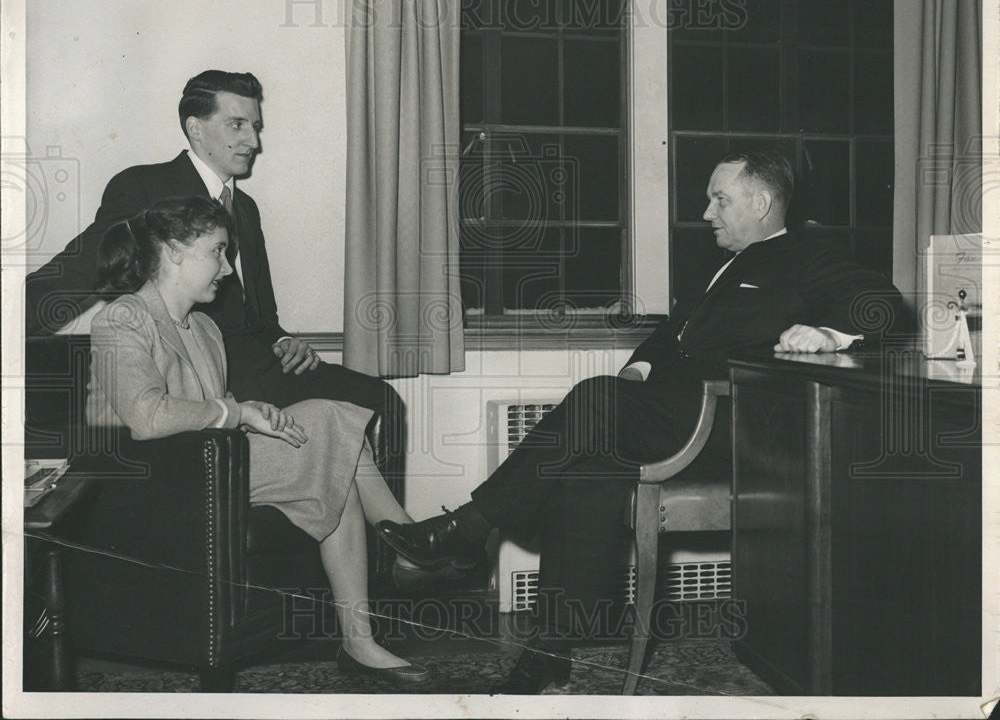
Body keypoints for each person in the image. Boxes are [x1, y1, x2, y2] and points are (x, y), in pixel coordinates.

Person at [375, 149, 906, 693]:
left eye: (719, 198)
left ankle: (468, 530)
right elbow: (671, 335)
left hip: (726, 422)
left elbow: (884, 303)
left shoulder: (808, 253)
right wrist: (638, 369)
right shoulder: (720, 264)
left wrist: (830, 334)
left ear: (763, 202)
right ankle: (548, 649)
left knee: (594, 397)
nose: (706, 212)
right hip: (666, 412)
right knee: (585, 472)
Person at [86, 196, 430, 686]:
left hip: (209, 468)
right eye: (218, 252)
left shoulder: (205, 328)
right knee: (328, 419)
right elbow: (145, 416)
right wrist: (237, 412)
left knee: (332, 456)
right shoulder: (123, 318)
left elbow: (216, 408)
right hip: (148, 484)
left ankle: (361, 638)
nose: (226, 269)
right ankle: (407, 542)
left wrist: (254, 417)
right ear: (175, 251)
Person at [25, 70, 405, 462]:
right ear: (196, 128)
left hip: (259, 363)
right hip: (200, 372)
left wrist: (282, 341)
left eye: (255, 126)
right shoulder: (144, 187)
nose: (253, 141)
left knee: (382, 402)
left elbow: (262, 314)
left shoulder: (245, 208)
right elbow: (75, 271)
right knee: (373, 401)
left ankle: (385, 526)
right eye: (236, 124)